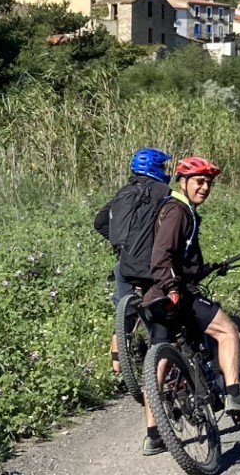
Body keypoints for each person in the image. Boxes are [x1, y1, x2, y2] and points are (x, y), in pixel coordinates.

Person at [141, 155, 240, 447]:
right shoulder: (179, 211)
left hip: (154, 296)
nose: (204, 187)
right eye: (199, 181)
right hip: (176, 293)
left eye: (209, 183)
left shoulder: (172, 208)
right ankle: (234, 393)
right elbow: (162, 255)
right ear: (183, 182)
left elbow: (177, 258)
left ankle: (154, 435)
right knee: (227, 330)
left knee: (160, 361)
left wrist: (204, 269)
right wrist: (174, 287)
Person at [93, 148, 170, 388]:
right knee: (165, 312)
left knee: (123, 311)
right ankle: (165, 366)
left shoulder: (124, 192)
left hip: (124, 263)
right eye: (163, 167)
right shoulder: (163, 192)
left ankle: (118, 371)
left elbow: (100, 221)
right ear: (155, 168)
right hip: (151, 265)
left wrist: (123, 246)